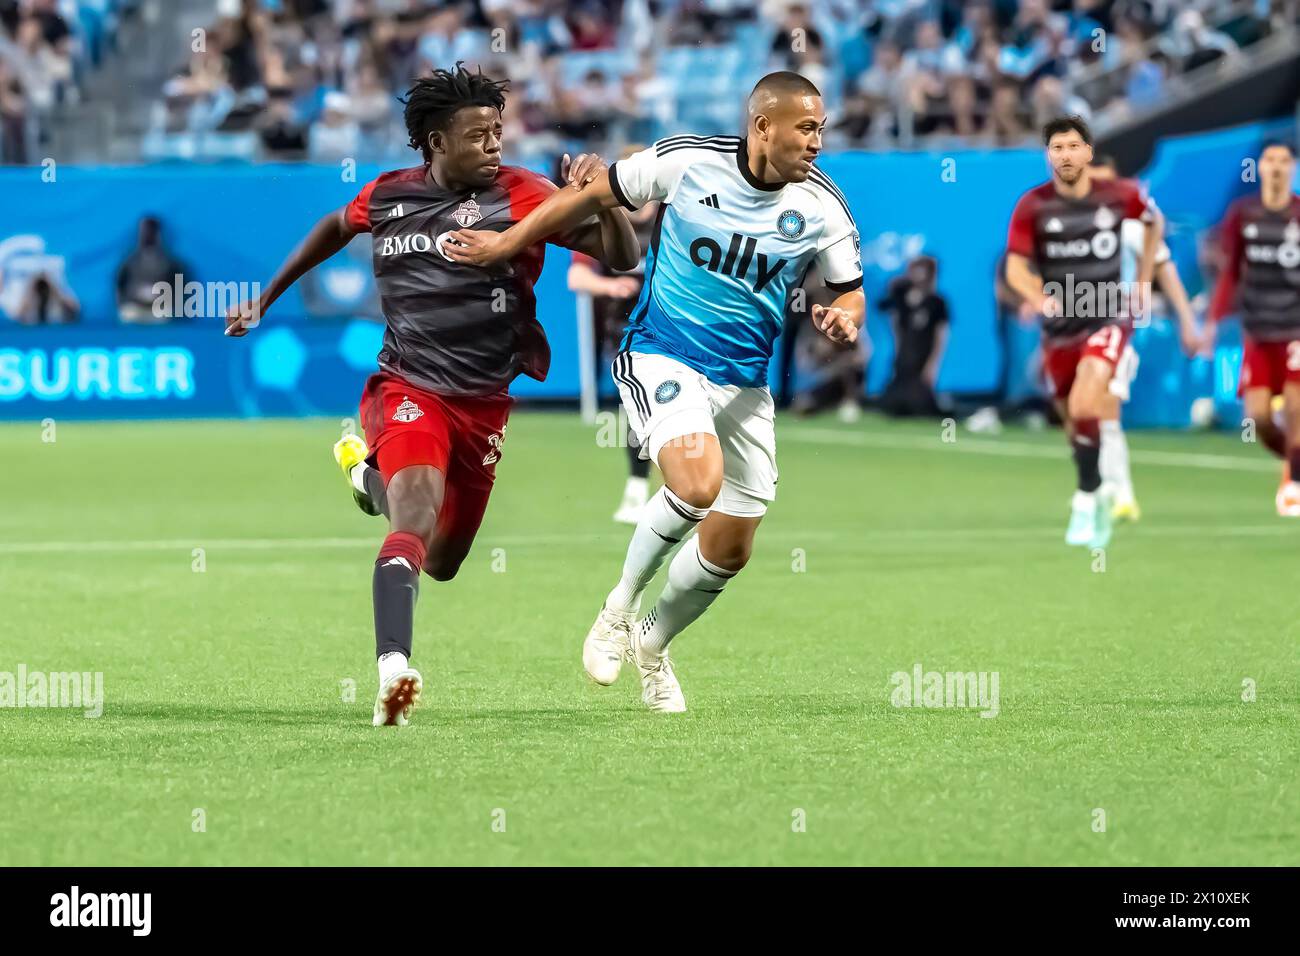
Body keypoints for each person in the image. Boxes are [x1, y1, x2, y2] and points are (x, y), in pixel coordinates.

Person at [224, 64, 639, 727]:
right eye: (479, 135)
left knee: (442, 560)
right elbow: (335, 225)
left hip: (483, 402)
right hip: (409, 384)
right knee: (414, 514)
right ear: (437, 142)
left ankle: (365, 474)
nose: (495, 144)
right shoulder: (389, 196)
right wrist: (267, 296)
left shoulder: (526, 195)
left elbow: (619, 257)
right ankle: (394, 671)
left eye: (499, 131)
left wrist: (606, 198)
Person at [444, 71, 864, 712]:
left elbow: (849, 288)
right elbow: (587, 197)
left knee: (732, 549)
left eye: (821, 129)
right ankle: (617, 609)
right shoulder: (688, 161)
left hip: (745, 383)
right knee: (696, 484)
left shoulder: (823, 207)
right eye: (806, 128)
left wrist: (845, 316)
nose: (816, 141)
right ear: (763, 126)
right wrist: (507, 240)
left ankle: (654, 645)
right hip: (662, 352)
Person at [1004, 115, 1164, 549]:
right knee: (1074, 420)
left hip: (1108, 315)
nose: (1065, 155)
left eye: (1074, 147)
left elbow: (1154, 224)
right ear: (1048, 155)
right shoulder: (1033, 206)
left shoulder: (1121, 196)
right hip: (1059, 328)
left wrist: (1144, 281)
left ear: (1088, 153)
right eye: (1057, 148)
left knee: (1087, 398)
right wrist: (1036, 296)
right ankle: (1094, 486)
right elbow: (1015, 267)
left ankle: (1086, 498)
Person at [1088, 156, 1204, 521]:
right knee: (1089, 408)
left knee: (1107, 402)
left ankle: (1122, 492)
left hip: (1118, 324)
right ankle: (1106, 483)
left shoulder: (1134, 226)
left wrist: (1187, 322)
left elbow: (1165, 271)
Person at [566, 146, 660, 524]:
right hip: (627, 335)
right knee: (635, 411)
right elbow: (576, 276)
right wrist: (612, 289)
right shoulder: (604, 218)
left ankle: (688, 493)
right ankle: (637, 490)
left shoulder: (676, 218)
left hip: (680, 331)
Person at [1207, 140, 1300, 516]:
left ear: (1292, 167)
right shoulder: (1243, 216)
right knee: (1259, 417)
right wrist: (1213, 322)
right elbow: (1230, 273)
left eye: (1283, 161)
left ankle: (1292, 482)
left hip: (1296, 327)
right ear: (1259, 168)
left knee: (1295, 408)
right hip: (1258, 329)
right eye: (1270, 160)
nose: (1276, 167)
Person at [877, 255, 948, 418]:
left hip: (922, 356)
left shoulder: (936, 302)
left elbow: (941, 336)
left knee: (921, 405)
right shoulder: (901, 296)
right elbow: (883, 307)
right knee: (893, 405)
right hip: (904, 355)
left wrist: (933, 365)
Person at [116, 216, 187, 323]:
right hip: (134, 310)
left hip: (160, 311)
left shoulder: (170, 263)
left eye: (151, 231)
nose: (148, 235)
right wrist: (129, 298)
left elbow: (180, 286)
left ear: (158, 234)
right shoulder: (129, 262)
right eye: (145, 231)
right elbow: (120, 285)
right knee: (128, 315)